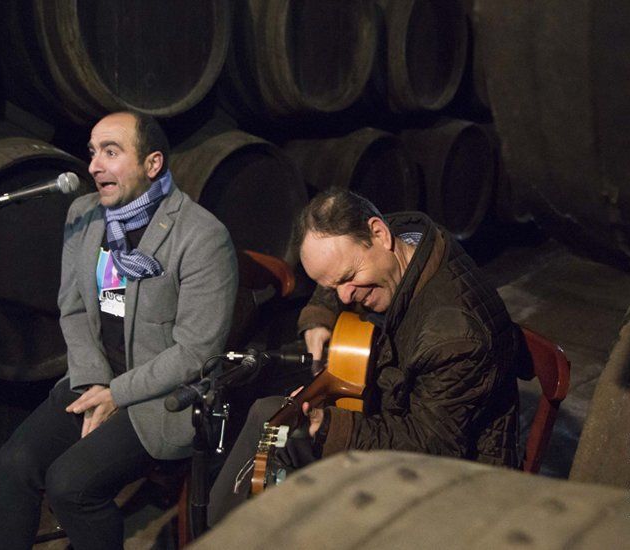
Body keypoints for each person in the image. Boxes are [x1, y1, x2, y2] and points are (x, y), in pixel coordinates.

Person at [0, 112, 237, 549]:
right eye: (93, 152)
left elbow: (195, 351)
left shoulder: (201, 236)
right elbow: (73, 309)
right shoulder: (84, 215)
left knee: (69, 485)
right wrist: (95, 381)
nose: (95, 165)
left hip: (163, 395)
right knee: (13, 463)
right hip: (96, 377)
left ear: (152, 164)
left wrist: (118, 394)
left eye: (111, 152)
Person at [208, 188, 521, 525]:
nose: (343, 295)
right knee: (267, 417)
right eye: (331, 284)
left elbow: (433, 446)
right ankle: (216, 529)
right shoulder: (403, 236)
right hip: (394, 418)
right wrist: (319, 315)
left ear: (379, 234)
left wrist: (329, 426)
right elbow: (338, 265)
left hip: (450, 479)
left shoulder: (454, 337)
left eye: (348, 279)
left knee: (289, 466)